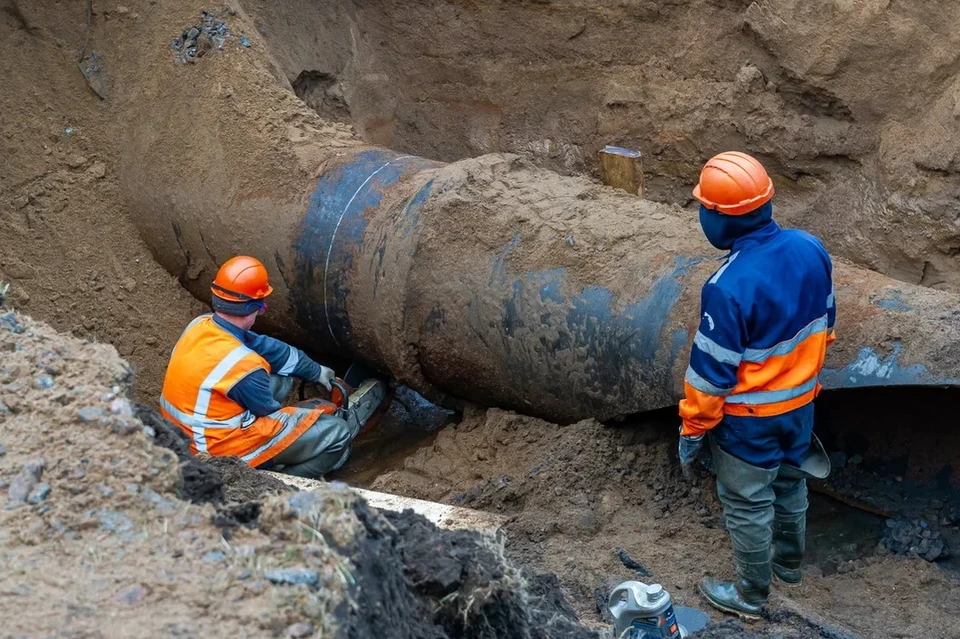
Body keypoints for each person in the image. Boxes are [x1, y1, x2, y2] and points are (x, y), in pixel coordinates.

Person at [677, 152, 835, 619]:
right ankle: (789, 566)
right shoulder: (810, 247)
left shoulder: (727, 286)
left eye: (704, 208)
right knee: (790, 484)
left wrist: (693, 430)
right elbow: (826, 322)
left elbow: (710, 374)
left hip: (748, 422)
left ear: (720, 218)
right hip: (801, 408)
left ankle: (750, 595)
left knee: (747, 503)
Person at [160, 255, 365, 477]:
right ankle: (285, 480)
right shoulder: (245, 367)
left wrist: (315, 371)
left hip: (183, 434)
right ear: (255, 307)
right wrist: (311, 414)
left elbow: (267, 348)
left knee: (282, 376)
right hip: (216, 454)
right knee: (338, 433)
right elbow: (271, 415)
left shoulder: (201, 324)